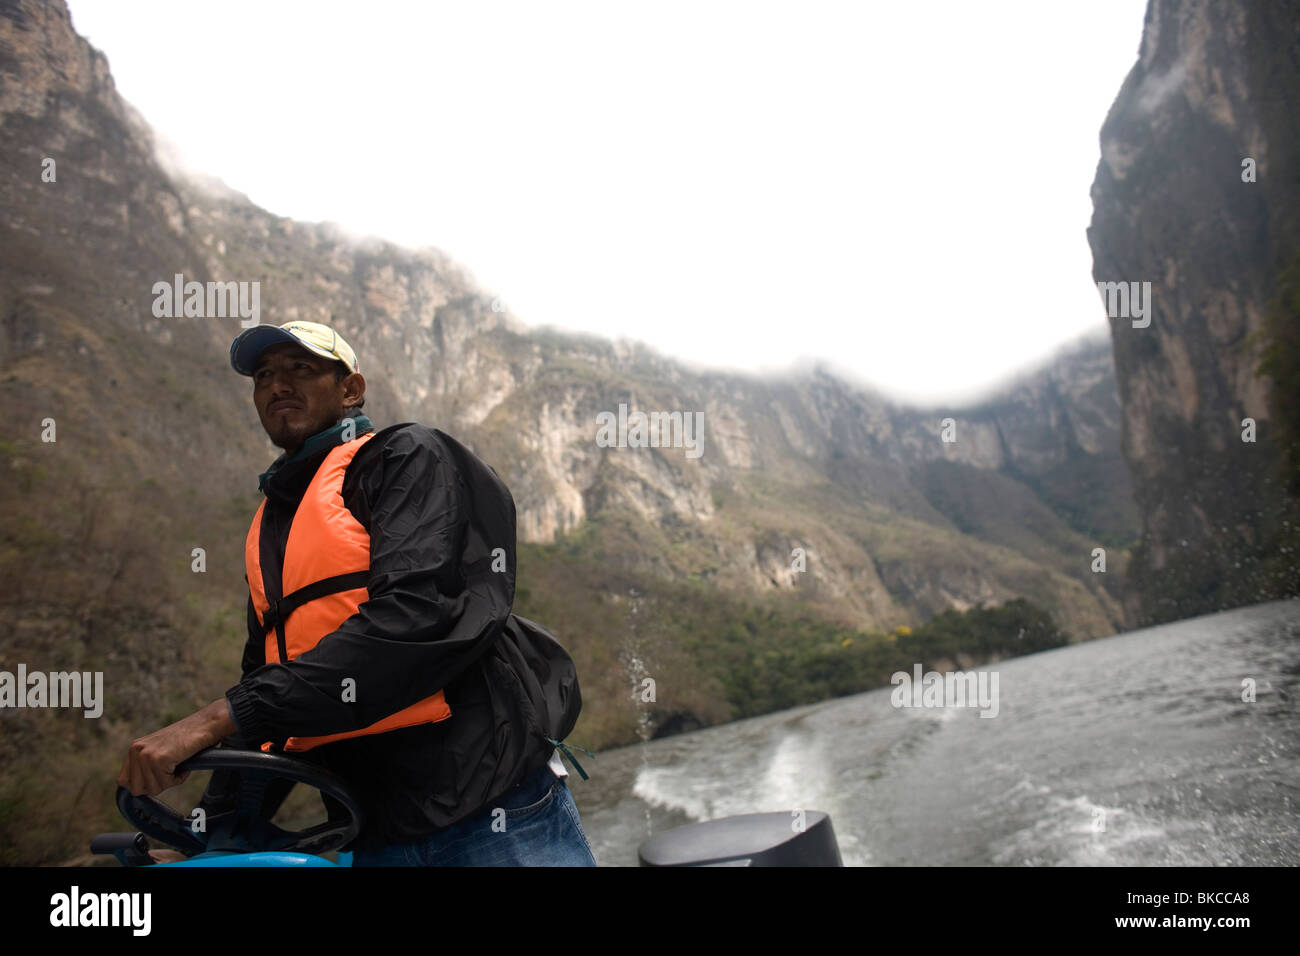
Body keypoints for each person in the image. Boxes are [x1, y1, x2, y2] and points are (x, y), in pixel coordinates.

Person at [117, 319, 595, 866]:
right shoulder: (273, 526)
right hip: (371, 831)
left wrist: (210, 720)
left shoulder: (407, 457)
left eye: (302, 368)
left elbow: (418, 616)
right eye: (264, 375)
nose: (278, 385)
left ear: (351, 390)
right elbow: (268, 694)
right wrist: (211, 838)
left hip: (491, 814)